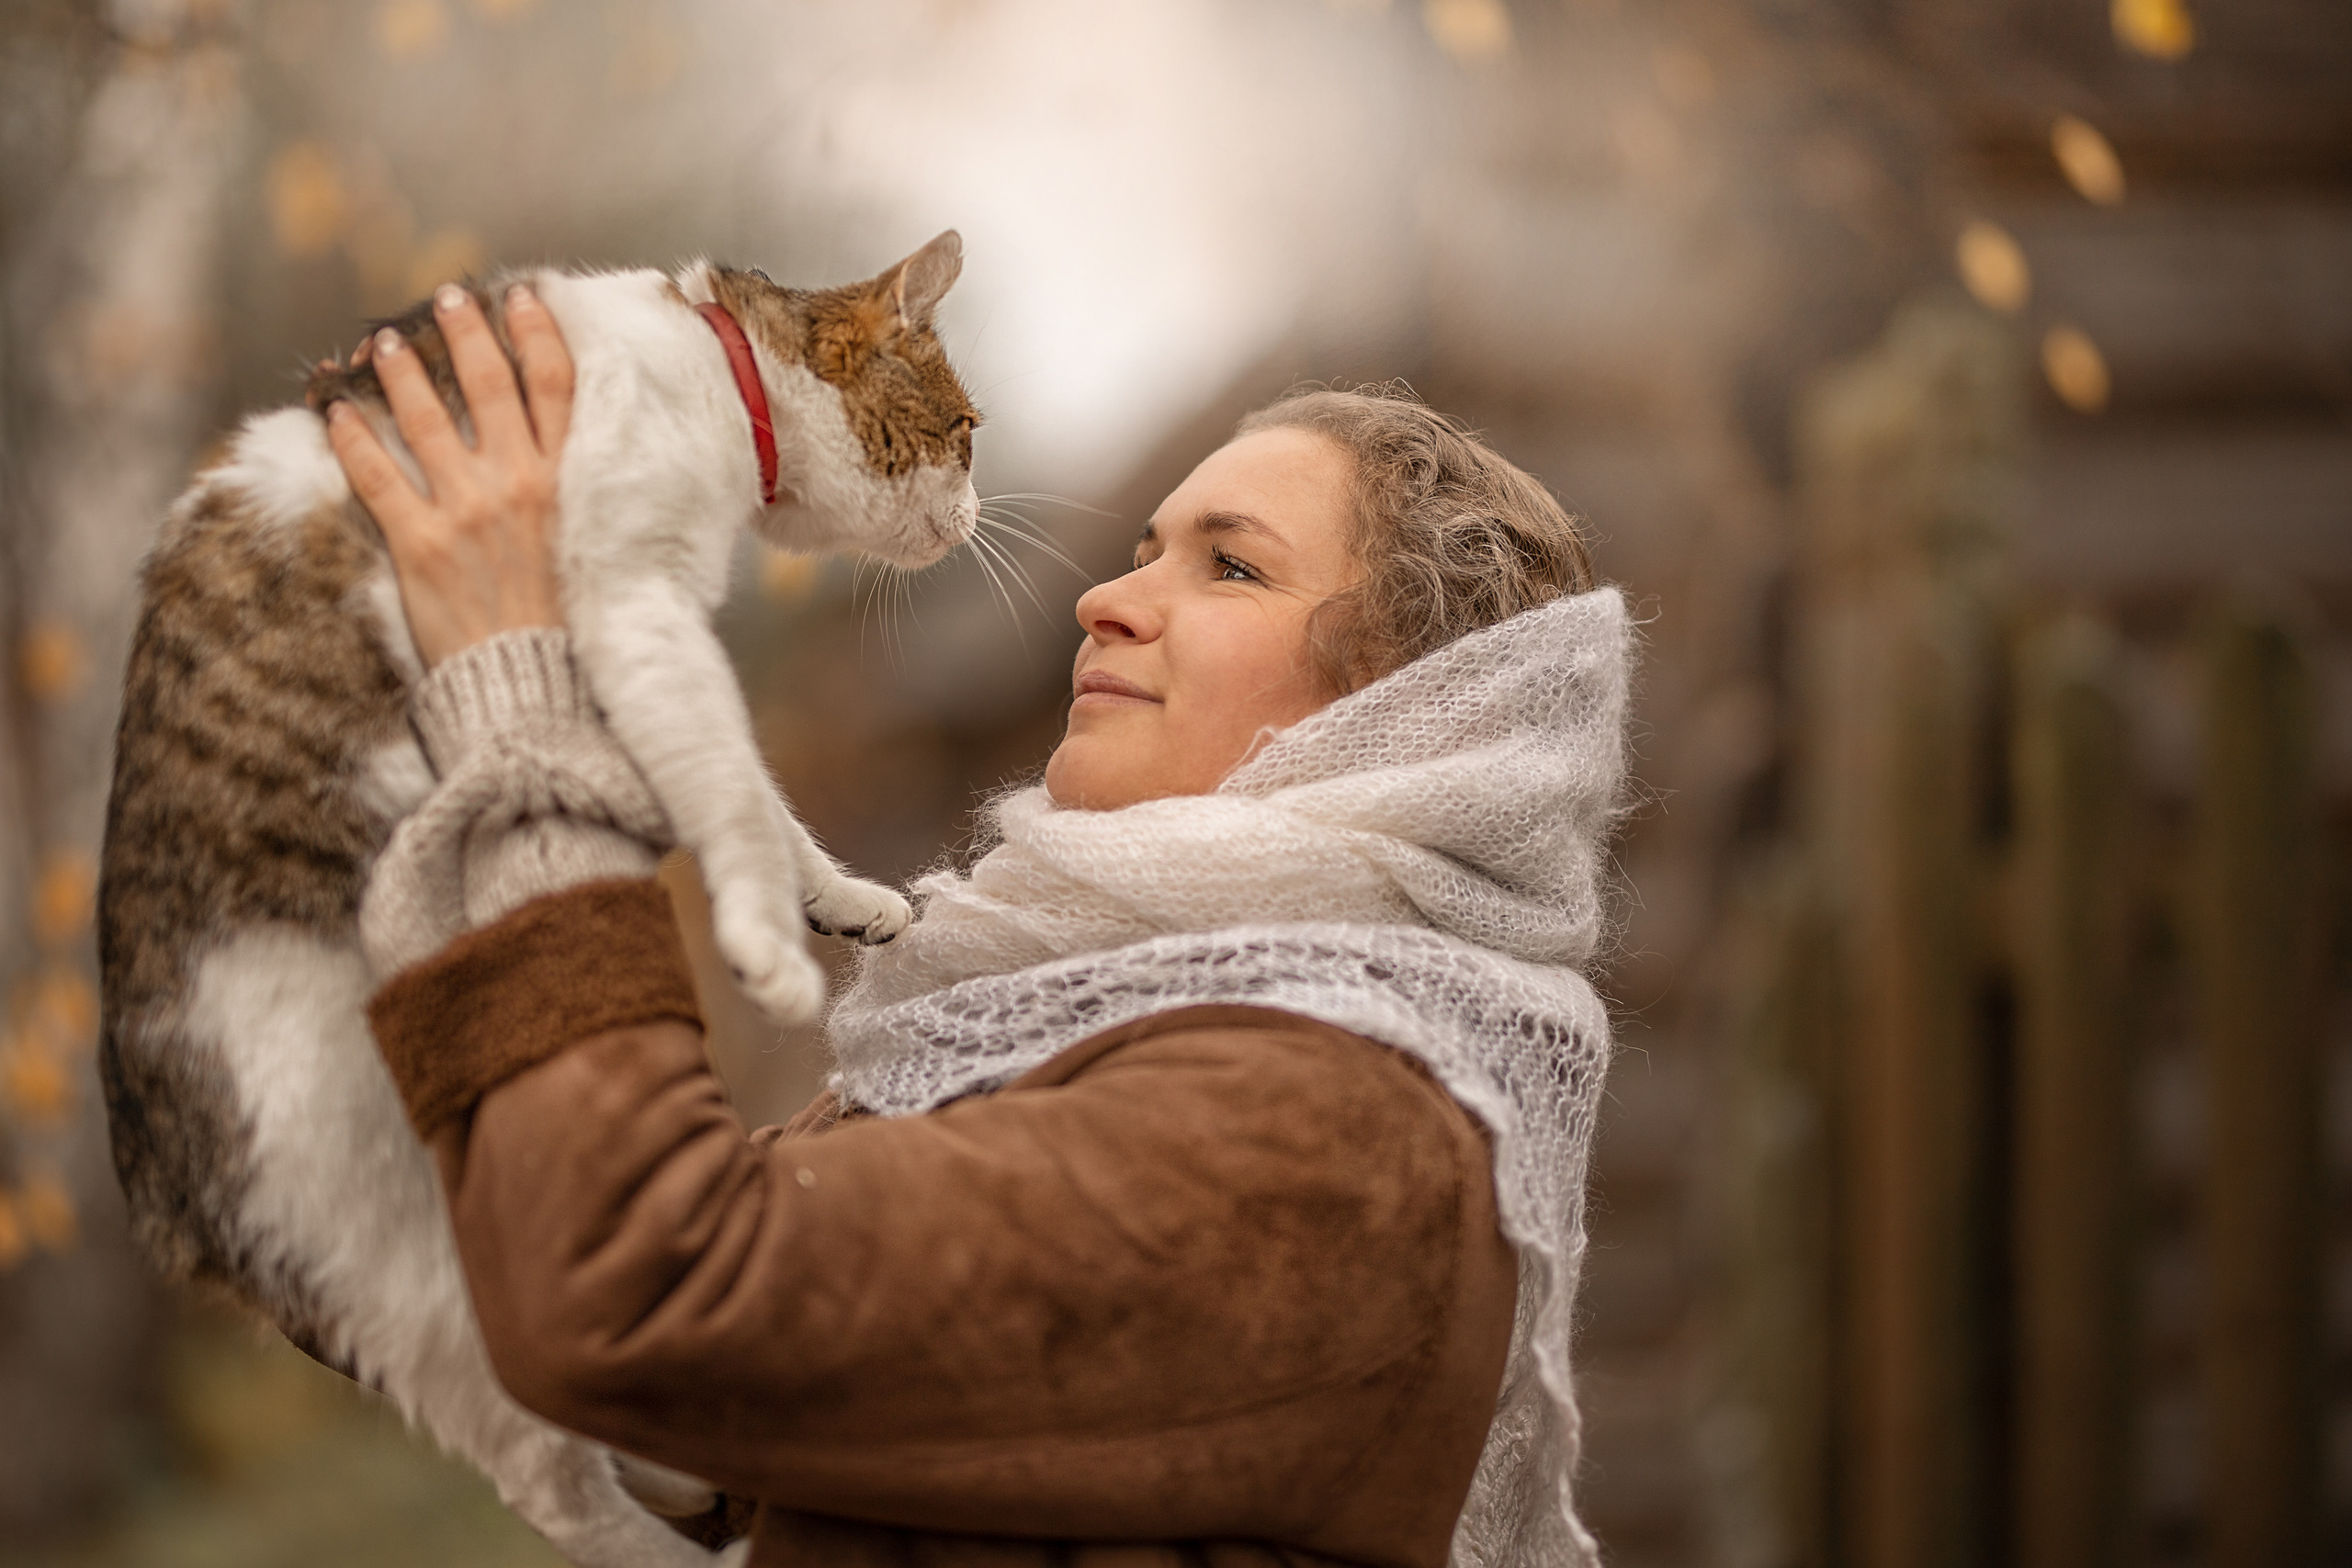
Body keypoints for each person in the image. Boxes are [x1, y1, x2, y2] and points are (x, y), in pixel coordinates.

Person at [327, 283, 1633, 1568]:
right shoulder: (1122, 1031)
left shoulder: (1324, 1118)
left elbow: (655, 1289)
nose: (1106, 598)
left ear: (1409, 713)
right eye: (1146, 551)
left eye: (1231, 566)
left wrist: (533, 715)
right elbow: (648, 1376)